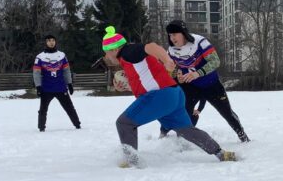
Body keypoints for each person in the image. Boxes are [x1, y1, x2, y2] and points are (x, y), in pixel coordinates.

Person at [101, 26, 236, 167]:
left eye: (106, 53)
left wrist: (166, 59)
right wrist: (123, 87)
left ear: (114, 49)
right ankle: (220, 153)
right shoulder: (130, 60)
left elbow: (152, 46)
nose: (106, 57)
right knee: (187, 130)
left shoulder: (127, 52)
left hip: (161, 96)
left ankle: (131, 163)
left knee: (124, 123)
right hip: (174, 94)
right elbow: (144, 82)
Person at [164, 20, 250, 142]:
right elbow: (174, 69)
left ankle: (243, 136)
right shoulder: (171, 50)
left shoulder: (199, 42)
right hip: (191, 87)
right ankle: (183, 141)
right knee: (184, 112)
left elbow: (215, 62)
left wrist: (197, 73)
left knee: (226, 113)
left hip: (211, 85)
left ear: (183, 33)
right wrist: (178, 76)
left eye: (175, 34)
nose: (172, 38)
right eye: (170, 35)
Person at [33, 35, 81, 132]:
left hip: (61, 87)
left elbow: (66, 71)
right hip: (46, 88)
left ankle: (78, 125)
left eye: (53, 40)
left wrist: (70, 84)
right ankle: (41, 128)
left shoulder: (62, 55)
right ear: (45, 43)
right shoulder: (40, 57)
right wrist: (38, 87)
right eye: (49, 41)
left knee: (70, 108)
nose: (51, 42)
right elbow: (36, 73)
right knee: (43, 110)